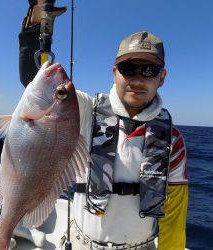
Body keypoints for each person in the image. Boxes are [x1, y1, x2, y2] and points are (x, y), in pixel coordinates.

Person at [18, 1, 188, 249]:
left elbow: (174, 216)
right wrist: (36, 25)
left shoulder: (173, 141)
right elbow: (36, 82)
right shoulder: (84, 111)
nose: (136, 79)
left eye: (149, 70)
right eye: (127, 68)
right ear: (114, 73)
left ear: (161, 78)